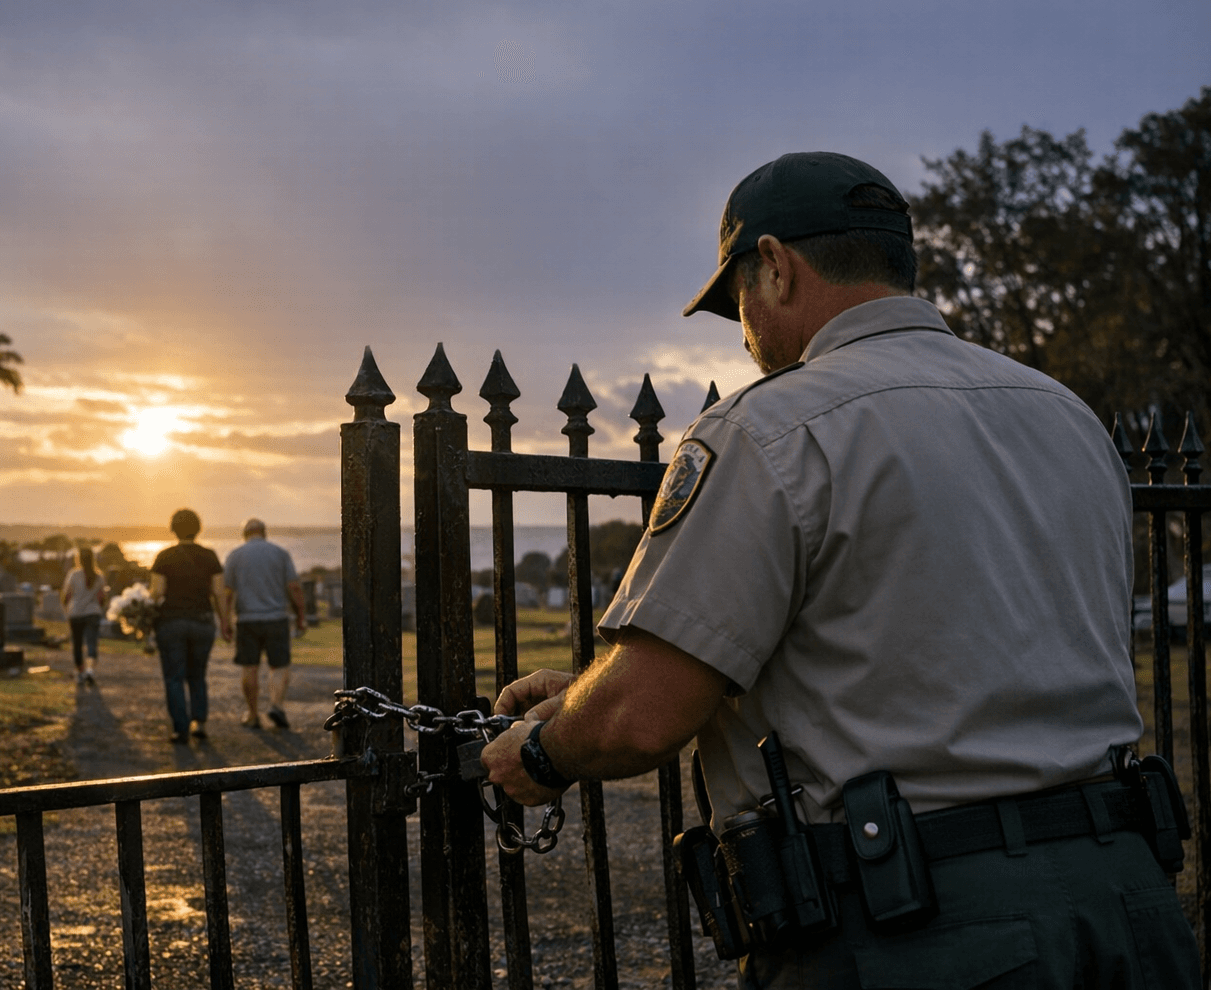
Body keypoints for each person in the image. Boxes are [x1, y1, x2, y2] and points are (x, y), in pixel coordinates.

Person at [480, 151, 1198, 988]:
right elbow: (943, 651)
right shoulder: (1063, 415)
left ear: (776, 267)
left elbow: (644, 714)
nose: (744, 334)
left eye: (738, 301)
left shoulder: (770, 429)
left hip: (918, 926)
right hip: (1122, 902)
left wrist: (541, 753)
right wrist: (585, 693)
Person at [150, 509, 228, 742]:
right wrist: (225, 622)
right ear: (198, 529)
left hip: (171, 621)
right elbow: (218, 592)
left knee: (174, 676)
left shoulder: (164, 556)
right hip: (202, 621)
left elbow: (157, 592)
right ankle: (200, 723)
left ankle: (180, 728)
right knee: (197, 675)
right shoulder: (210, 555)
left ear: (173, 529)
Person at [223, 518, 304, 729]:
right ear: (264, 532)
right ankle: (276, 706)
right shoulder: (280, 553)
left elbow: (227, 592)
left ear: (245, 534)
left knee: (250, 667)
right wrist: (301, 616)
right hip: (276, 619)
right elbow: (294, 587)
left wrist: (225, 621)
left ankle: (252, 714)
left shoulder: (235, 555)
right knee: (279, 666)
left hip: (247, 620)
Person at [60, 546, 107, 687]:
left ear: (78, 559)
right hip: (93, 613)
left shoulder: (74, 574)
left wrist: (67, 609)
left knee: (77, 644)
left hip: (76, 613)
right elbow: (102, 598)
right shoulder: (99, 576)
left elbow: (66, 595)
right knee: (92, 643)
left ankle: (80, 673)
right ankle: (90, 671)